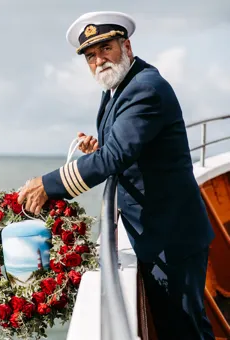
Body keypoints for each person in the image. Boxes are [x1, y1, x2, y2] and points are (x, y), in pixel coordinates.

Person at [17, 11, 215, 339]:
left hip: (172, 237)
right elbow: (126, 146)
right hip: (156, 231)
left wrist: (47, 185)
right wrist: (98, 148)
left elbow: (117, 155)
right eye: (91, 56)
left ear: (126, 45)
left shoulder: (146, 88)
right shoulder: (119, 86)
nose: (99, 60)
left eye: (106, 49)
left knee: (186, 329)